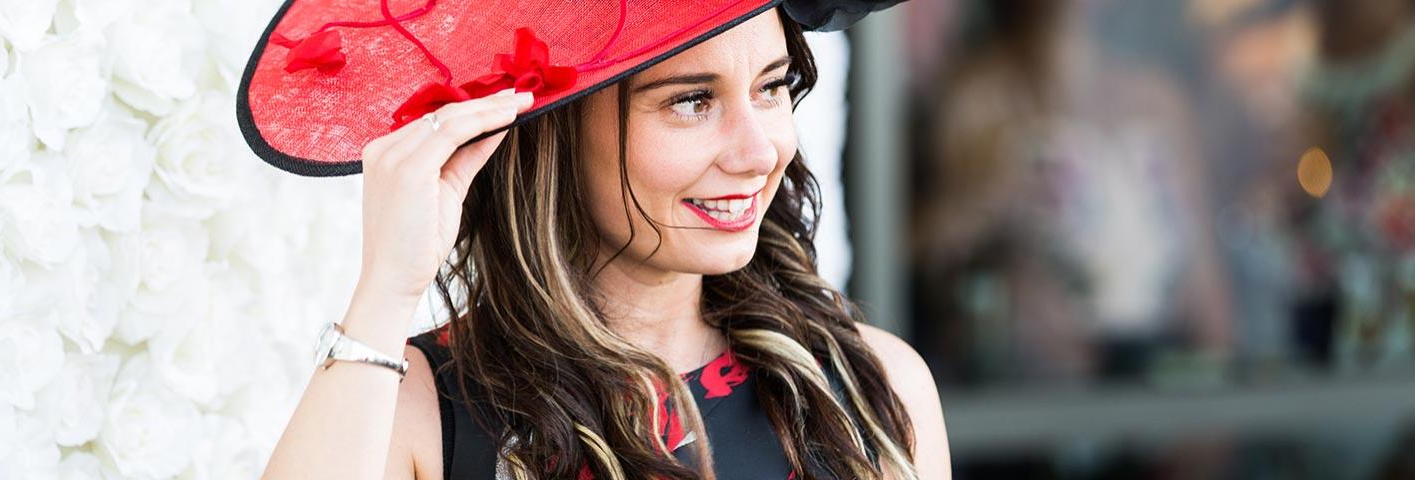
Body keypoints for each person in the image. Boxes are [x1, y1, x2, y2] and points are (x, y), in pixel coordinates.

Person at [236, 1, 948, 478]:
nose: (760, 151)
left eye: (771, 87)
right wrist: (387, 291)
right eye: (692, 101)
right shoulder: (425, 411)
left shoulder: (870, 392)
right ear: (555, 130)